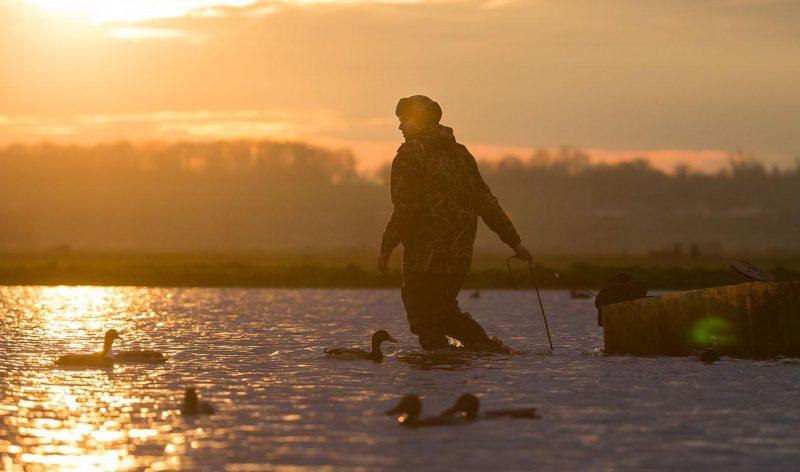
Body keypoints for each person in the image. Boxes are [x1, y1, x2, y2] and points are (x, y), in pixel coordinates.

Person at [377, 95, 532, 350]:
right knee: (444, 311)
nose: (400, 127)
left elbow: (405, 208)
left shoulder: (410, 155)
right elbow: (487, 203)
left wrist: (386, 248)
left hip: (424, 257)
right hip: (458, 258)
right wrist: (516, 243)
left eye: (405, 120)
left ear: (421, 121)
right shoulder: (460, 154)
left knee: (423, 317)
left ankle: (435, 371)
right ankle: (485, 350)